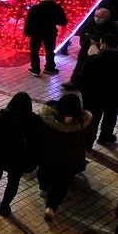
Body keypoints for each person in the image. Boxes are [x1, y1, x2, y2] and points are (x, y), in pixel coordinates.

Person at [37, 93, 92, 221]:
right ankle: (51, 207)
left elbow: (39, 134)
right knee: (61, 184)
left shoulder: (48, 119)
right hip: (71, 160)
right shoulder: (84, 121)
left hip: (49, 155)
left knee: (44, 172)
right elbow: (89, 137)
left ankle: (44, 189)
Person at [0, 93, 40, 218]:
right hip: (21, 158)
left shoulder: (3, 115)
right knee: (14, 181)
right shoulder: (34, 120)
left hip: (1, 153)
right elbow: (38, 141)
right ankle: (4, 205)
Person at [24, 0, 68, 76]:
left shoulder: (36, 7)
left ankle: (35, 69)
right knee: (50, 50)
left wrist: (27, 32)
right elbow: (63, 22)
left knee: (34, 50)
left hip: (36, 32)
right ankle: (50, 68)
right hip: (50, 31)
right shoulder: (57, 7)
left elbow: (29, 20)